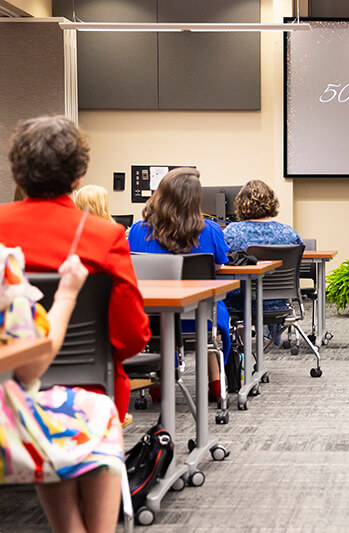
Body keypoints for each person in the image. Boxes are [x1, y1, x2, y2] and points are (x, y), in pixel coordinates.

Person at [0, 116, 150, 426]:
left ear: (17, 173)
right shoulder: (105, 236)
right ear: (78, 176)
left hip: (6, 388)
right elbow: (131, 337)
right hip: (88, 394)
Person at [0, 251, 124, 533]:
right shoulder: (4, 265)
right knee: (92, 411)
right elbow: (30, 367)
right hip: (6, 427)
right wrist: (67, 293)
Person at [127, 168, 231, 402]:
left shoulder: (136, 231)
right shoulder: (211, 230)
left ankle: (158, 381)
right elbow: (216, 267)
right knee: (210, 312)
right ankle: (215, 382)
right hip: (201, 317)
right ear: (196, 199)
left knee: (162, 314)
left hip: (151, 316)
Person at [223, 180, 303, 344]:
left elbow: (221, 260)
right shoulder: (288, 232)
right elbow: (300, 253)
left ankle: (241, 347)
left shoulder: (232, 232)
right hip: (279, 302)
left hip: (240, 302)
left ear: (241, 204)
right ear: (271, 202)